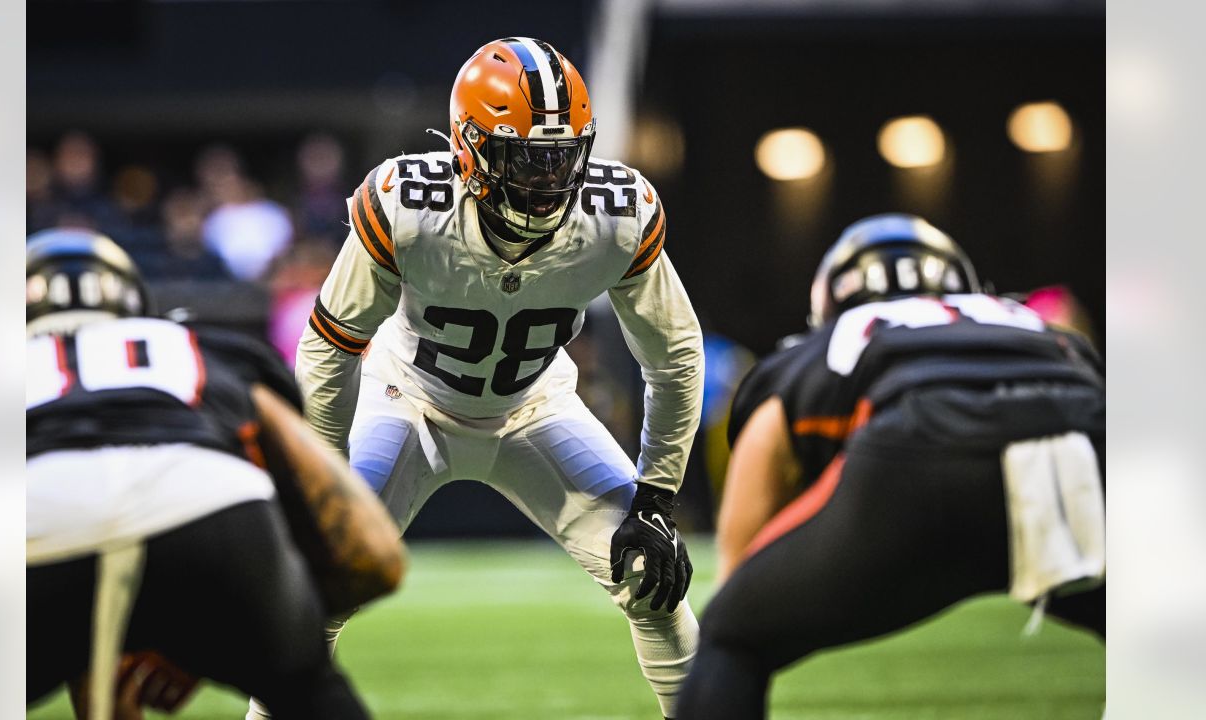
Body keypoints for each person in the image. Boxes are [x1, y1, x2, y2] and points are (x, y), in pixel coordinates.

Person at [284, 37, 704, 719]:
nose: (547, 181)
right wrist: (325, 486)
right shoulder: (406, 205)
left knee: (652, 577)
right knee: (314, 588)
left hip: (535, 407)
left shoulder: (618, 215)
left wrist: (657, 493)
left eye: (561, 157)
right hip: (409, 401)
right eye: (525, 160)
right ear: (468, 147)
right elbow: (328, 349)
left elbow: (677, 354)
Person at [678, 213, 1106, 719]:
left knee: (734, 637)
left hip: (919, 451)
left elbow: (760, 470)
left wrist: (740, 599)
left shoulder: (835, 340)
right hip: (1084, 445)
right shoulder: (1026, 321)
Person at [26, 229, 406, 719]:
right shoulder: (198, 348)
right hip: (211, 505)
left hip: (34, 513)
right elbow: (373, 556)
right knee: (306, 688)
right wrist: (233, 630)